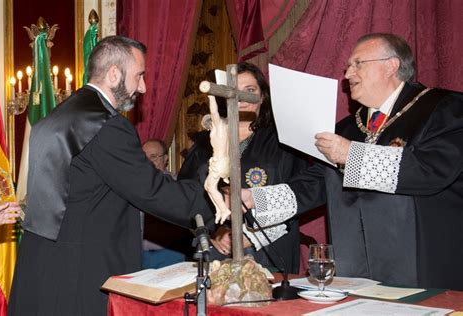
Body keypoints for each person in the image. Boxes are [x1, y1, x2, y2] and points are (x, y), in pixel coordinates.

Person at [8, 36, 217, 316]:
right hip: (81, 277)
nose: (142, 87)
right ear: (114, 73)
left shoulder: (56, 116)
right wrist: (214, 196)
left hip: (40, 268)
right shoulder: (104, 125)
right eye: (139, 76)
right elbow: (152, 191)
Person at [243, 33, 463, 290]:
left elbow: (431, 170)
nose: (347, 75)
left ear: (391, 66)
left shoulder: (444, 108)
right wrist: (257, 199)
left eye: (358, 63)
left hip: (426, 267)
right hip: (358, 269)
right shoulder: (349, 127)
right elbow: (317, 183)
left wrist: (351, 155)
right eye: (348, 66)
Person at [178, 62, 323, 274]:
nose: (242, 99)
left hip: (269, 249)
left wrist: (250, 236)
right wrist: (213, 231)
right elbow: (186, 195)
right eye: (235, 91)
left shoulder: (284, 141)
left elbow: (299, 195)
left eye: (250, 91)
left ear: (262, 97)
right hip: (216, 251)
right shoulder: (206, 142)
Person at [140, 139, 191, 269]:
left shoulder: (176, 186)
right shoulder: (133, 187)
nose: (148, 162)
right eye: (144, 157)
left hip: (170, 254)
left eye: (153, 157)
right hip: (138, 254)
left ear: (166, 159)